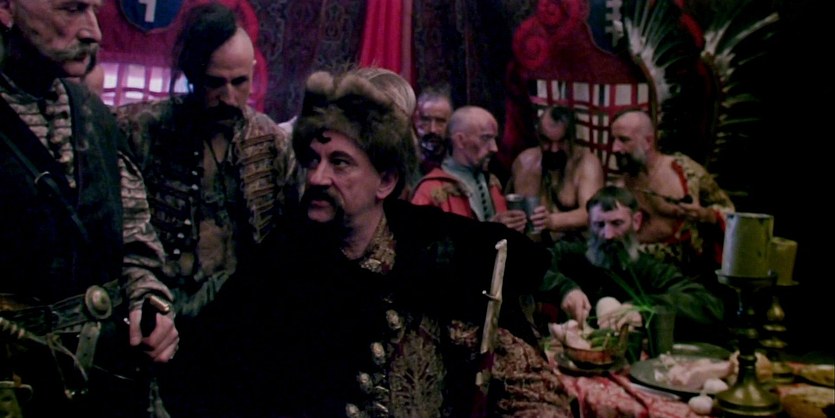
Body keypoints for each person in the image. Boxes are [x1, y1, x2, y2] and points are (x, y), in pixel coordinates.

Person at [199, 68, 575, 417]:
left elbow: (529, 387)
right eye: (313, 161)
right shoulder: (280, 264)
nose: (317, 178)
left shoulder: (433, 254)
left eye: (340, 163)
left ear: (385, 182)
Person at [0, 1, 178, 417]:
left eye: (94, 10)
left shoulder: (95, 116)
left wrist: (149, 301)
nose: (93, 32)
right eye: (72, 9)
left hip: (105, 384)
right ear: (7, 7)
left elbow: (135, 243)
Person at [114, 3, 299, 319]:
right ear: (194, 74)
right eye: (215, 82)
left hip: (237, 316)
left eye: (240, 82)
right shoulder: (141, 130)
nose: (229, 97)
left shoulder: (273, 144)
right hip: (153, 305)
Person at [541, 186, 725, 345]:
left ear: (636, 221)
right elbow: (533, 267)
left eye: (617, 223)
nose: (607, 235)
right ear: (589, 223)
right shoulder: (570, 255)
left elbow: (708, 305)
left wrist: (642, 309)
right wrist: (564, 289)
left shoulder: (650, 269)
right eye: (599, 225)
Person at [609, 109, 734, 281]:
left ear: (648, 141)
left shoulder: (685, 171)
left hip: (688, 275)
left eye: (624, 140)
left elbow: (730, 213)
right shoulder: (619, 187)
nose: (614, 148)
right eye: (613, 140)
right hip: (639, 272)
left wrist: (706, 215)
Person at [411, 105, 547, 234]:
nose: (494, 148)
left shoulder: (492, 182)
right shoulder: (430, 190)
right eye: (485, 138)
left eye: (494, 139)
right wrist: (486, 232)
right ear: (460, 140)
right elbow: (420, 244)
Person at [508, 105, 604, 244]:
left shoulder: (587, 163)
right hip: (537, 248)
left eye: (562, 141)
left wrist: (552, 221)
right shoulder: (526, 162)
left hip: (578, 248)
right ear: (538, 136)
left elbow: (592, 214)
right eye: (547, 141)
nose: (554, 149)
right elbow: (525, 224)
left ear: (572, 138)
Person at [413, 85, 453, 174]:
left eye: (440, 121)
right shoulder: (403, 162)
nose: (432, 129)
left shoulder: (459, 163)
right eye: (425, 120)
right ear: (415, 121)